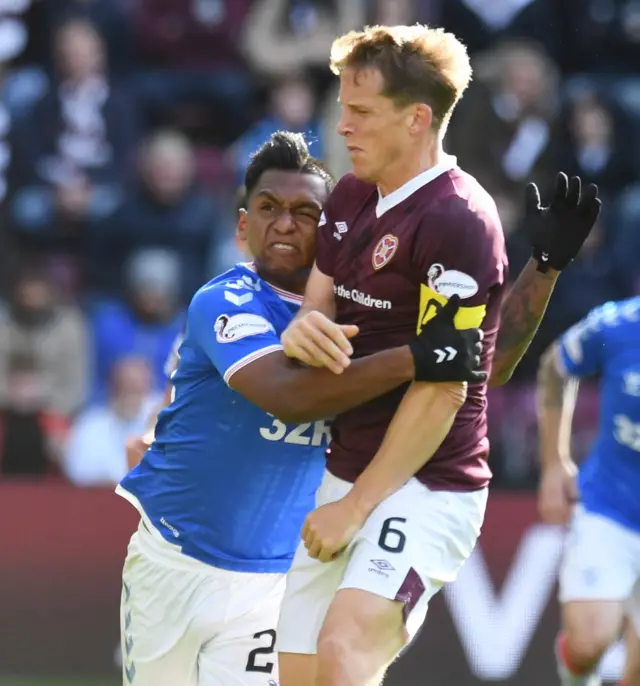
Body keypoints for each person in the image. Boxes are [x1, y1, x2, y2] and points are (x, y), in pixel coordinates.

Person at [277, 26, 601, 686]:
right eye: (343, 107)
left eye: (360, 111)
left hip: (429, 480)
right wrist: (302, 330)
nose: (341, 126)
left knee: (344, 650)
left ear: (417, 117)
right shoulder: (347, 197)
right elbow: (317, 306)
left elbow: (448, 385)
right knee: (299, 676)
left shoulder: (458, 218)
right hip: (344, 462)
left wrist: (355, 507)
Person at [116, 131, 486, 686]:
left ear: (336, 234)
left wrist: (543, 271)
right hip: (173, 559)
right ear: (243, 227)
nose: (284, 224)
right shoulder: (226, 300)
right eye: (268, 209)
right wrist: (416, 358)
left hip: (271, 582)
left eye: (305, 212)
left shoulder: (362, 321)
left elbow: (477, 357)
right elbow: (285, 397)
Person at [537, 297, 640, 686]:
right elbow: (554, 365)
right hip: (608, 508)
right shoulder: (618, 325)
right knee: (587, 643)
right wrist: (553, 464)